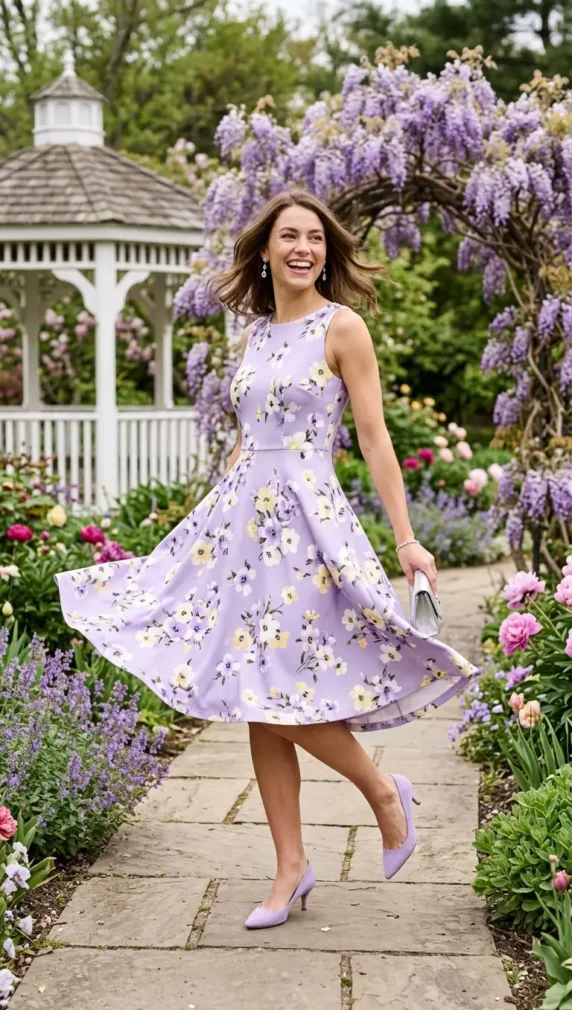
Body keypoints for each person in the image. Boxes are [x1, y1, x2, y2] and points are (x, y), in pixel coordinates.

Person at [54, 187, 480, 931]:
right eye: (289, 236)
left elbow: (375, 440)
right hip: (245, 530)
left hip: (307, 530)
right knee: (257, 696)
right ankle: (291, 867)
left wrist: (406, 538)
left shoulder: (341, 327)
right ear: (264, 249)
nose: (303, 248)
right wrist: (203, 526)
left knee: (280, 691)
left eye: (314, 237)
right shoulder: (251, 335)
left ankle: (383, 793)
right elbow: (249, 444)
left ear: (328, 250)